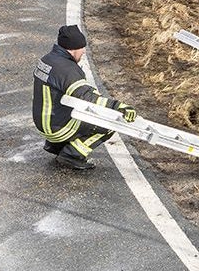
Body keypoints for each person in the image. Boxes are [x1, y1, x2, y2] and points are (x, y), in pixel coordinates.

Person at [32, 25, 136, 171]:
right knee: (112, 121)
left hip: (44, 123)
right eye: (82, 48)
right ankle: (72, 155)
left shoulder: (48, 59)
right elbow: (86, 97)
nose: (84, 51)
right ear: (74, 48)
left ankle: (56, 145)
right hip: (57, 128)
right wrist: (117, 107)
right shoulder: (67, 70)